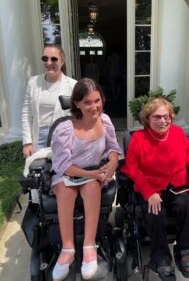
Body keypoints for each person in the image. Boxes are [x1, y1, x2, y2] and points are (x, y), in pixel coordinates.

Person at [121, 98, 189, 280]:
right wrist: (149, 192)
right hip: (150, 188)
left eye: (167, 117)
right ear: (147, 119)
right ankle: (161, 257)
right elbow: (131, 169)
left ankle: (185, 248)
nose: (163, 121)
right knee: (155, 213)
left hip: (176, 187)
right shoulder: (138, 139)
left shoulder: (178, 134)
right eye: (157, 117)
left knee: (184, 204)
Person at [50, 78, 122, 281]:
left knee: (91, 187)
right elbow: (63, 165)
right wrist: (92, 174)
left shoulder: (105, 121)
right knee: (65, 190)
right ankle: (68, 248)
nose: (94, 106)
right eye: (88, 102)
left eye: (97, 100)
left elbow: (112, 149)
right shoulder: (65, 128)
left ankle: (89, 245)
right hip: (68, 173)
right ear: (76, 104)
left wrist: (114, 161)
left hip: (93, 174)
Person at [22, 44, 77, 158]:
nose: (49, 62)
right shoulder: (33, 83)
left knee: (61, 171)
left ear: (62, 62)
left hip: (63, 137)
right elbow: (26, 113)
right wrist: (27, 142)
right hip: (39, 136)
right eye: (45, 58)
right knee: (38, 171)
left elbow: (78, 115)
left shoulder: (73, 85)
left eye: (54, 59)